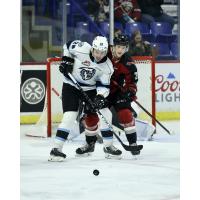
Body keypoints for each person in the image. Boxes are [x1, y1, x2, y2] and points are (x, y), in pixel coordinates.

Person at [48, 36, 121, 161]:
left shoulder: (107, 66)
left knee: (106, 113)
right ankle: (56, 149)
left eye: (102, 52)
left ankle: (108, 146)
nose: (99, 55)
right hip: (71, 86)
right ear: (92, 49)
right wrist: (67, 60)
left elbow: (104, 86)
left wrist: (100, 97)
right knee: (70, 116)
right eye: (97, 51)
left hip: (91, 89)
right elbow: (67, 45)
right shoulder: (82, 48)